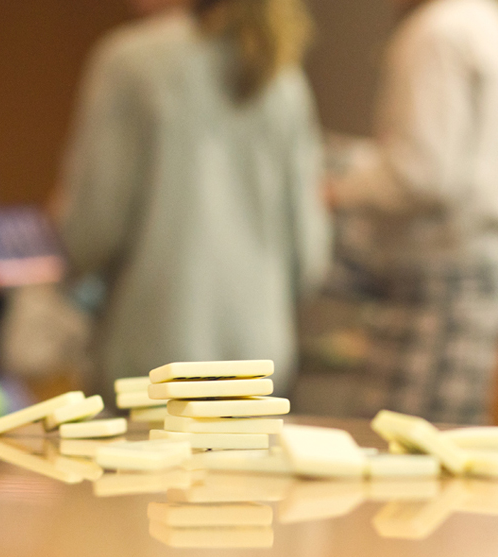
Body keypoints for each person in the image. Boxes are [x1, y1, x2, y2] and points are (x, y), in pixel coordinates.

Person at [296, 0, 498, 424]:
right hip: (495, 276)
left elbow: (423, 175)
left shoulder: (436, 33)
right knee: (463, 452)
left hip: (440, 285)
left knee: (400, 454)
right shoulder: (497, 24)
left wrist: (337, 187)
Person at [57, 0, 331, 390]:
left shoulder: (132, 62)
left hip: (153, 355)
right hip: (257, 361)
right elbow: (309, 256)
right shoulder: (283, 75)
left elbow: (91, 231)